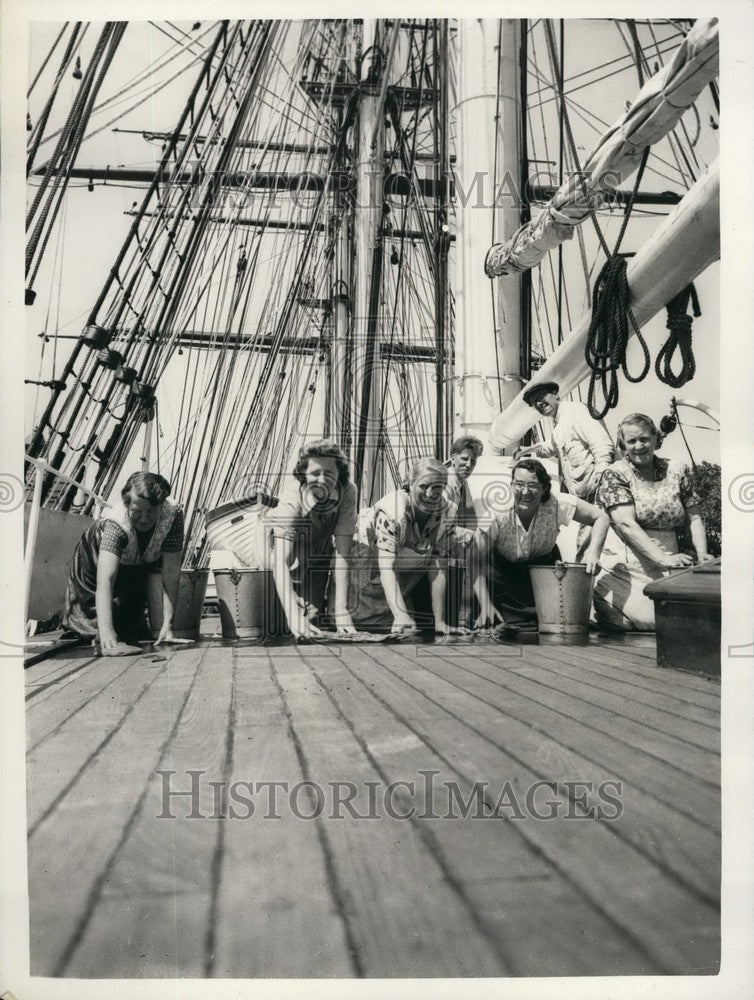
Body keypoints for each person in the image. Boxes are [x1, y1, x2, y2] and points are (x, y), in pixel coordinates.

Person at [593, 413, 714, 631]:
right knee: (667, 623)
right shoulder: (615, 474)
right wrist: (662, 558)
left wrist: (702, 553)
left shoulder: (677, 469)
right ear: (623, 445)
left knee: (696, 618)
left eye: (644, 439)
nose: (639, 446)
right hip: (629, 569)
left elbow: (694, 517)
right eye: (631, 441)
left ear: (655, 440)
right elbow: (625, 524)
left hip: (673, 563)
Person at [472, 458, 609, 631]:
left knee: (554, 624)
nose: (525, 492)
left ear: (544, 488)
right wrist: (485, 605)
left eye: (533, 485)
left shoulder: (558, 503)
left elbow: (601, 517)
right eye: (519, 484)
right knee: (494, 624)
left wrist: (593, 552)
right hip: (501, 577)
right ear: (511, 485)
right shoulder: (497, 512)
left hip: (539, 579)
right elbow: (473, 558)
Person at [62, 471, 188, 656]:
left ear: (162, 506)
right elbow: (105, 580)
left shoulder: (173, 515)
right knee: (91, 624)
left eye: (151, 511)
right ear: (127, 504)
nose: (144, 518)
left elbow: (170, 572)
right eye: (137, 511)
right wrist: (105, 632)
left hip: (137, 561)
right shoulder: (116, 524)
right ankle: (101, 635)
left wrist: (168, 626)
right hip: (93, 561)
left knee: (131, 621)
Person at [347, 458, 473, 636]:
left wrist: (439, 621)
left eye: (438, 487)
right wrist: (400, 614)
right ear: (411, 484)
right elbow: (387, 568)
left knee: (403, 633)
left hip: (400, 584)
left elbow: (437, 567)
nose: (430, 494)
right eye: (423, 486)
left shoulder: (447, 513)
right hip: (361, 578)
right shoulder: (392, 512)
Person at [260, 439, 357, 639]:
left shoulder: (348, 491)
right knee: (280, 625)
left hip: (317, 555)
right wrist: (292, 614)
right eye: (315, 473)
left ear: (339, 474)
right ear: (303, 474)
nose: (322, 480)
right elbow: (280, 561)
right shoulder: (292, 497)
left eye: (329, 473)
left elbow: (342, 553)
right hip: (277, 557)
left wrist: (341, 609)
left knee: (311, 621)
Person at [517, 381, 614, 558]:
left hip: (598, 492)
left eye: (541, 398)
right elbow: (551, 448)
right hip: (586, 496)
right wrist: (529, 450)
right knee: (586, 544)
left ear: (556, 394)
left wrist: (603, 480)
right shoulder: (559, 423)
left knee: (587, 546)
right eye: (534, 403)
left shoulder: (576, 411)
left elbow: (602, 444)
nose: (539, 404)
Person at [444, 435, 483, 626]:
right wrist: (472, 536)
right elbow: (442, 523)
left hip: (451, 549)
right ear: (453, 457)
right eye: (464, 459)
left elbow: (469, 515)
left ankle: (458, 622)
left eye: (473, 461)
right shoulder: (447, 483)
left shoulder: (461, 482)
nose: (468, 465)